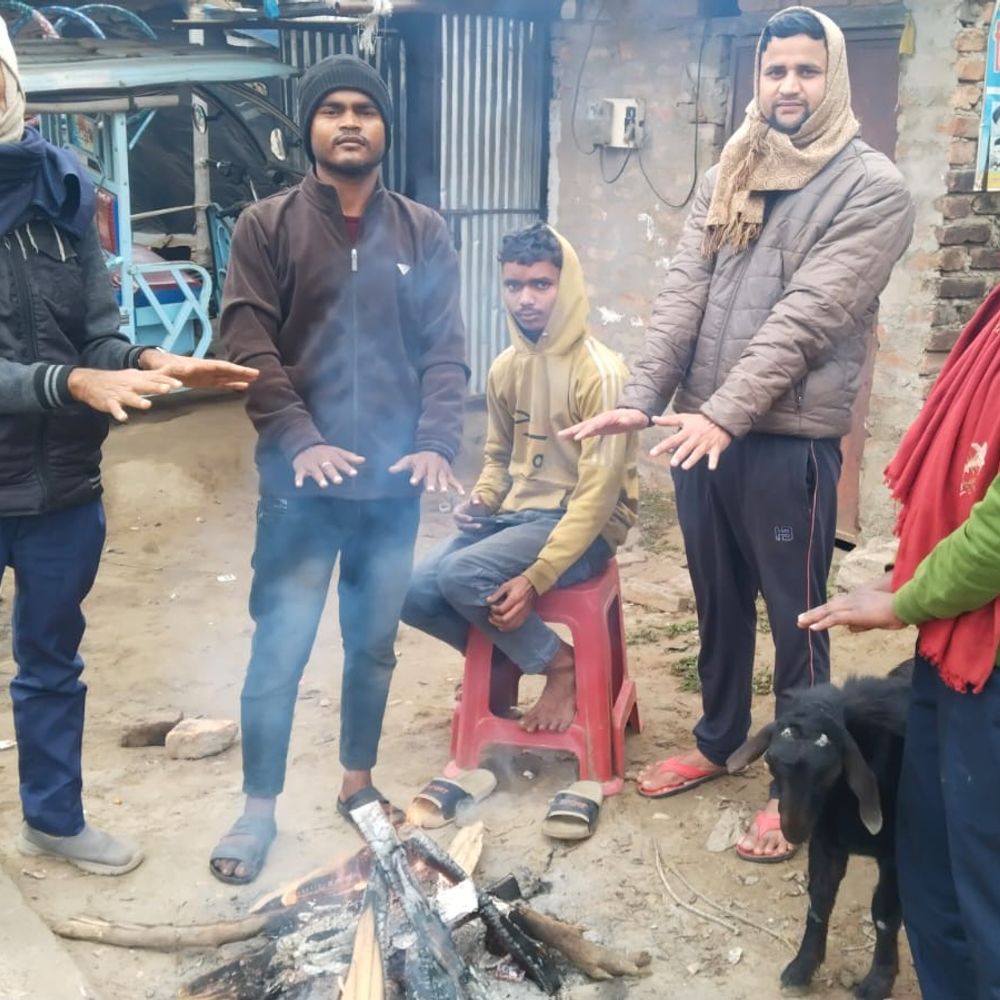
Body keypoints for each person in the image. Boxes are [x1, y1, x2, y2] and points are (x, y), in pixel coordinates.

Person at [563, 6, 914, 861]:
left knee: (798, 619)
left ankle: (800, 779)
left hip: (786, 440)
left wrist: (727, 411)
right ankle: (720, 739)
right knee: (717, 600)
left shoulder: (872, 188)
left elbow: (810, 316)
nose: (788, 86)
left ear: (834, 78)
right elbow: (685, 290)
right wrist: (644, 396)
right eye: (775, 69)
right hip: (700, 434)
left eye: (807, 70)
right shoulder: (737, 164)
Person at [0, 22, 258, 876]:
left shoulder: (63, 192)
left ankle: (53, 820)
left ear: (12, 83)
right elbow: (70, 371)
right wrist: (68, 383)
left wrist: (152, 360)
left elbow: (97, 334)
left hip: (63, 490)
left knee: (51, 665)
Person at [213, 54, 468, 883]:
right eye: (333, 110)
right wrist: (301, 438)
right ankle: (258, 809)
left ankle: (358, 785)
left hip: (390, 492)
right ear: (310, 127)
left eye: (365, 108)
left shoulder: (423, 231)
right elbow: (246, 342)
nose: (350, 122)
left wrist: (436, 440)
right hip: (300, 491)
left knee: (373, 645)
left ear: (385, 127)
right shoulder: (267, 227)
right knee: (279, 647)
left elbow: (445, 348)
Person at [799, 284, 1000, 1000]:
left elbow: (994, 540)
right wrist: (913, 574)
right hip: (954, 643)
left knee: (979, 878)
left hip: (985, 656)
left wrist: (907, 600)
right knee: (933, 854)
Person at [401, 222, 637, 733]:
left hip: (586, 525)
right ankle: (504, 658)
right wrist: (484, 499)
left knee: (462, 575)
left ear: (566, 285)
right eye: (514, 285)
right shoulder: (506, 368)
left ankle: (561, 666)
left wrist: (538, 576)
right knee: (412, 591)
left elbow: (597, 497)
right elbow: (499, 456)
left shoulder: (600, 373)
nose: (525, 299)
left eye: (541, 284)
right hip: (519, 518)